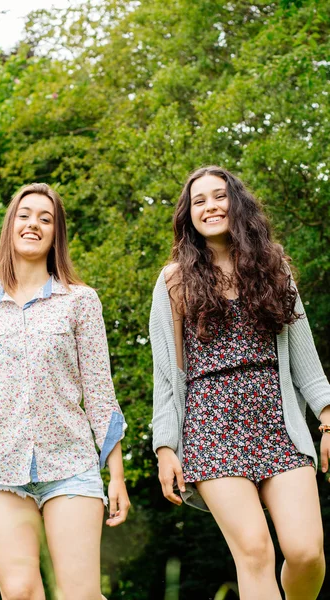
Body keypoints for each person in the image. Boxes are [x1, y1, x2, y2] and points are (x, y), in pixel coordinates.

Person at [0, 183, 130, 600]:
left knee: (80, 594)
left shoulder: (80, 301)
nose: (33, 224)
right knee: (20, 592)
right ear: (10, 227)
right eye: (24, 215)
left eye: (46, 218)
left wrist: (116, 475)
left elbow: (100, 392)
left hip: (70, 466)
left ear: (56, 234)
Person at [149, 166, 330, 600]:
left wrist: (327, 417)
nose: (211, 207)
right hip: (210, 427)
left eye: (219, 196)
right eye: (199, 201)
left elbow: (305, 359)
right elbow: (166, 375)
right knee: (254, 551)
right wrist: (165, 446)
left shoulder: (273, 268)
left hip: (277, 424)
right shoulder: (174, 279)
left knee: (307, 553)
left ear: (237, 203)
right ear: (188, 215)